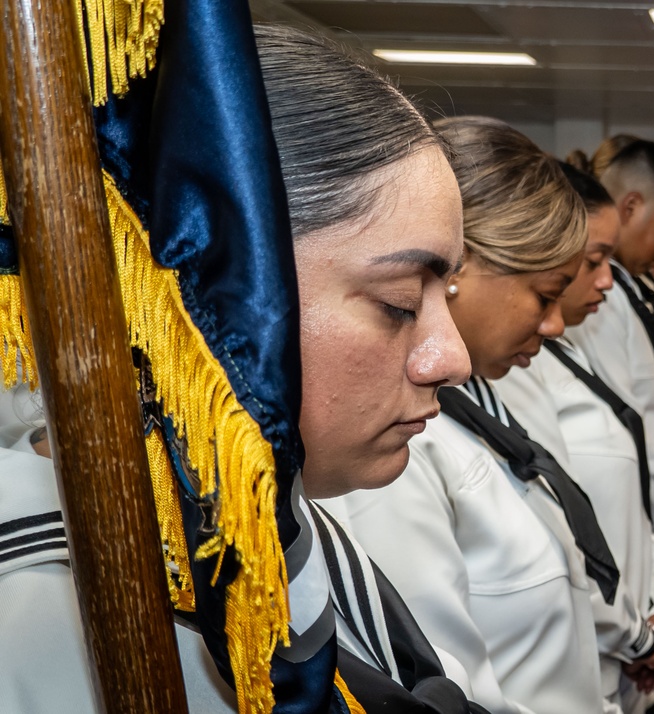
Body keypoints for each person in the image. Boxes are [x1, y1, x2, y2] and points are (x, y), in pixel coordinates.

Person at [1, 23, 485, 713]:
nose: (453, 359)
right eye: (399, 303)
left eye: (449, 294)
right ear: (209, 299)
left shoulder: (251, 518)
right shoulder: (55, 620)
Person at [333, 116, 654, 714]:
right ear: (458, 268)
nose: (555, 324)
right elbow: (440, 688)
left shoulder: (484, 405)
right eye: (545, 295)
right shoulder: (393, 447)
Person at [495, 161, 654, 713]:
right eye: (593, 261)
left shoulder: (566, 350)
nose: (606, 280)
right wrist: (640, 637)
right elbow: (563, 538)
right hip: (590, 652)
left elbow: (631, 477)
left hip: (624, 632)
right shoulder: (514, 373)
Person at [565, 138, 654, 571]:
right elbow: (638, 420)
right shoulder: (600, 300)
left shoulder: (635, 288)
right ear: (630, 206)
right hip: (629, 512)